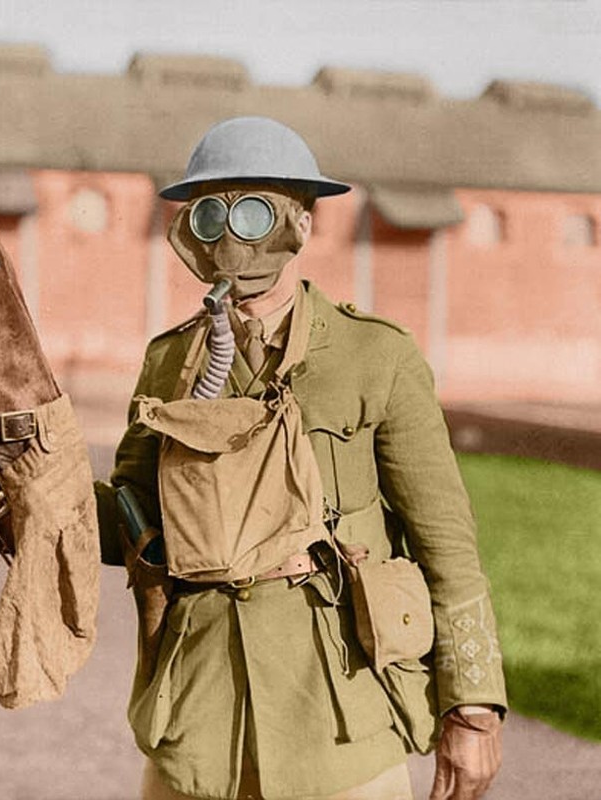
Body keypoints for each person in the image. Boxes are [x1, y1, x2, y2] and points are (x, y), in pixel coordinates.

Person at [94, 117, 506, 800]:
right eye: (209, 215)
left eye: (253, 213)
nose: (231, 238)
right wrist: (25, 494)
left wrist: (473, 705)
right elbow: (135, 518)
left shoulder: (377, 356)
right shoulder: (170, 362)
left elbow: (447, 542)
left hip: (339, 713)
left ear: (303, 224)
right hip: (202, 717)